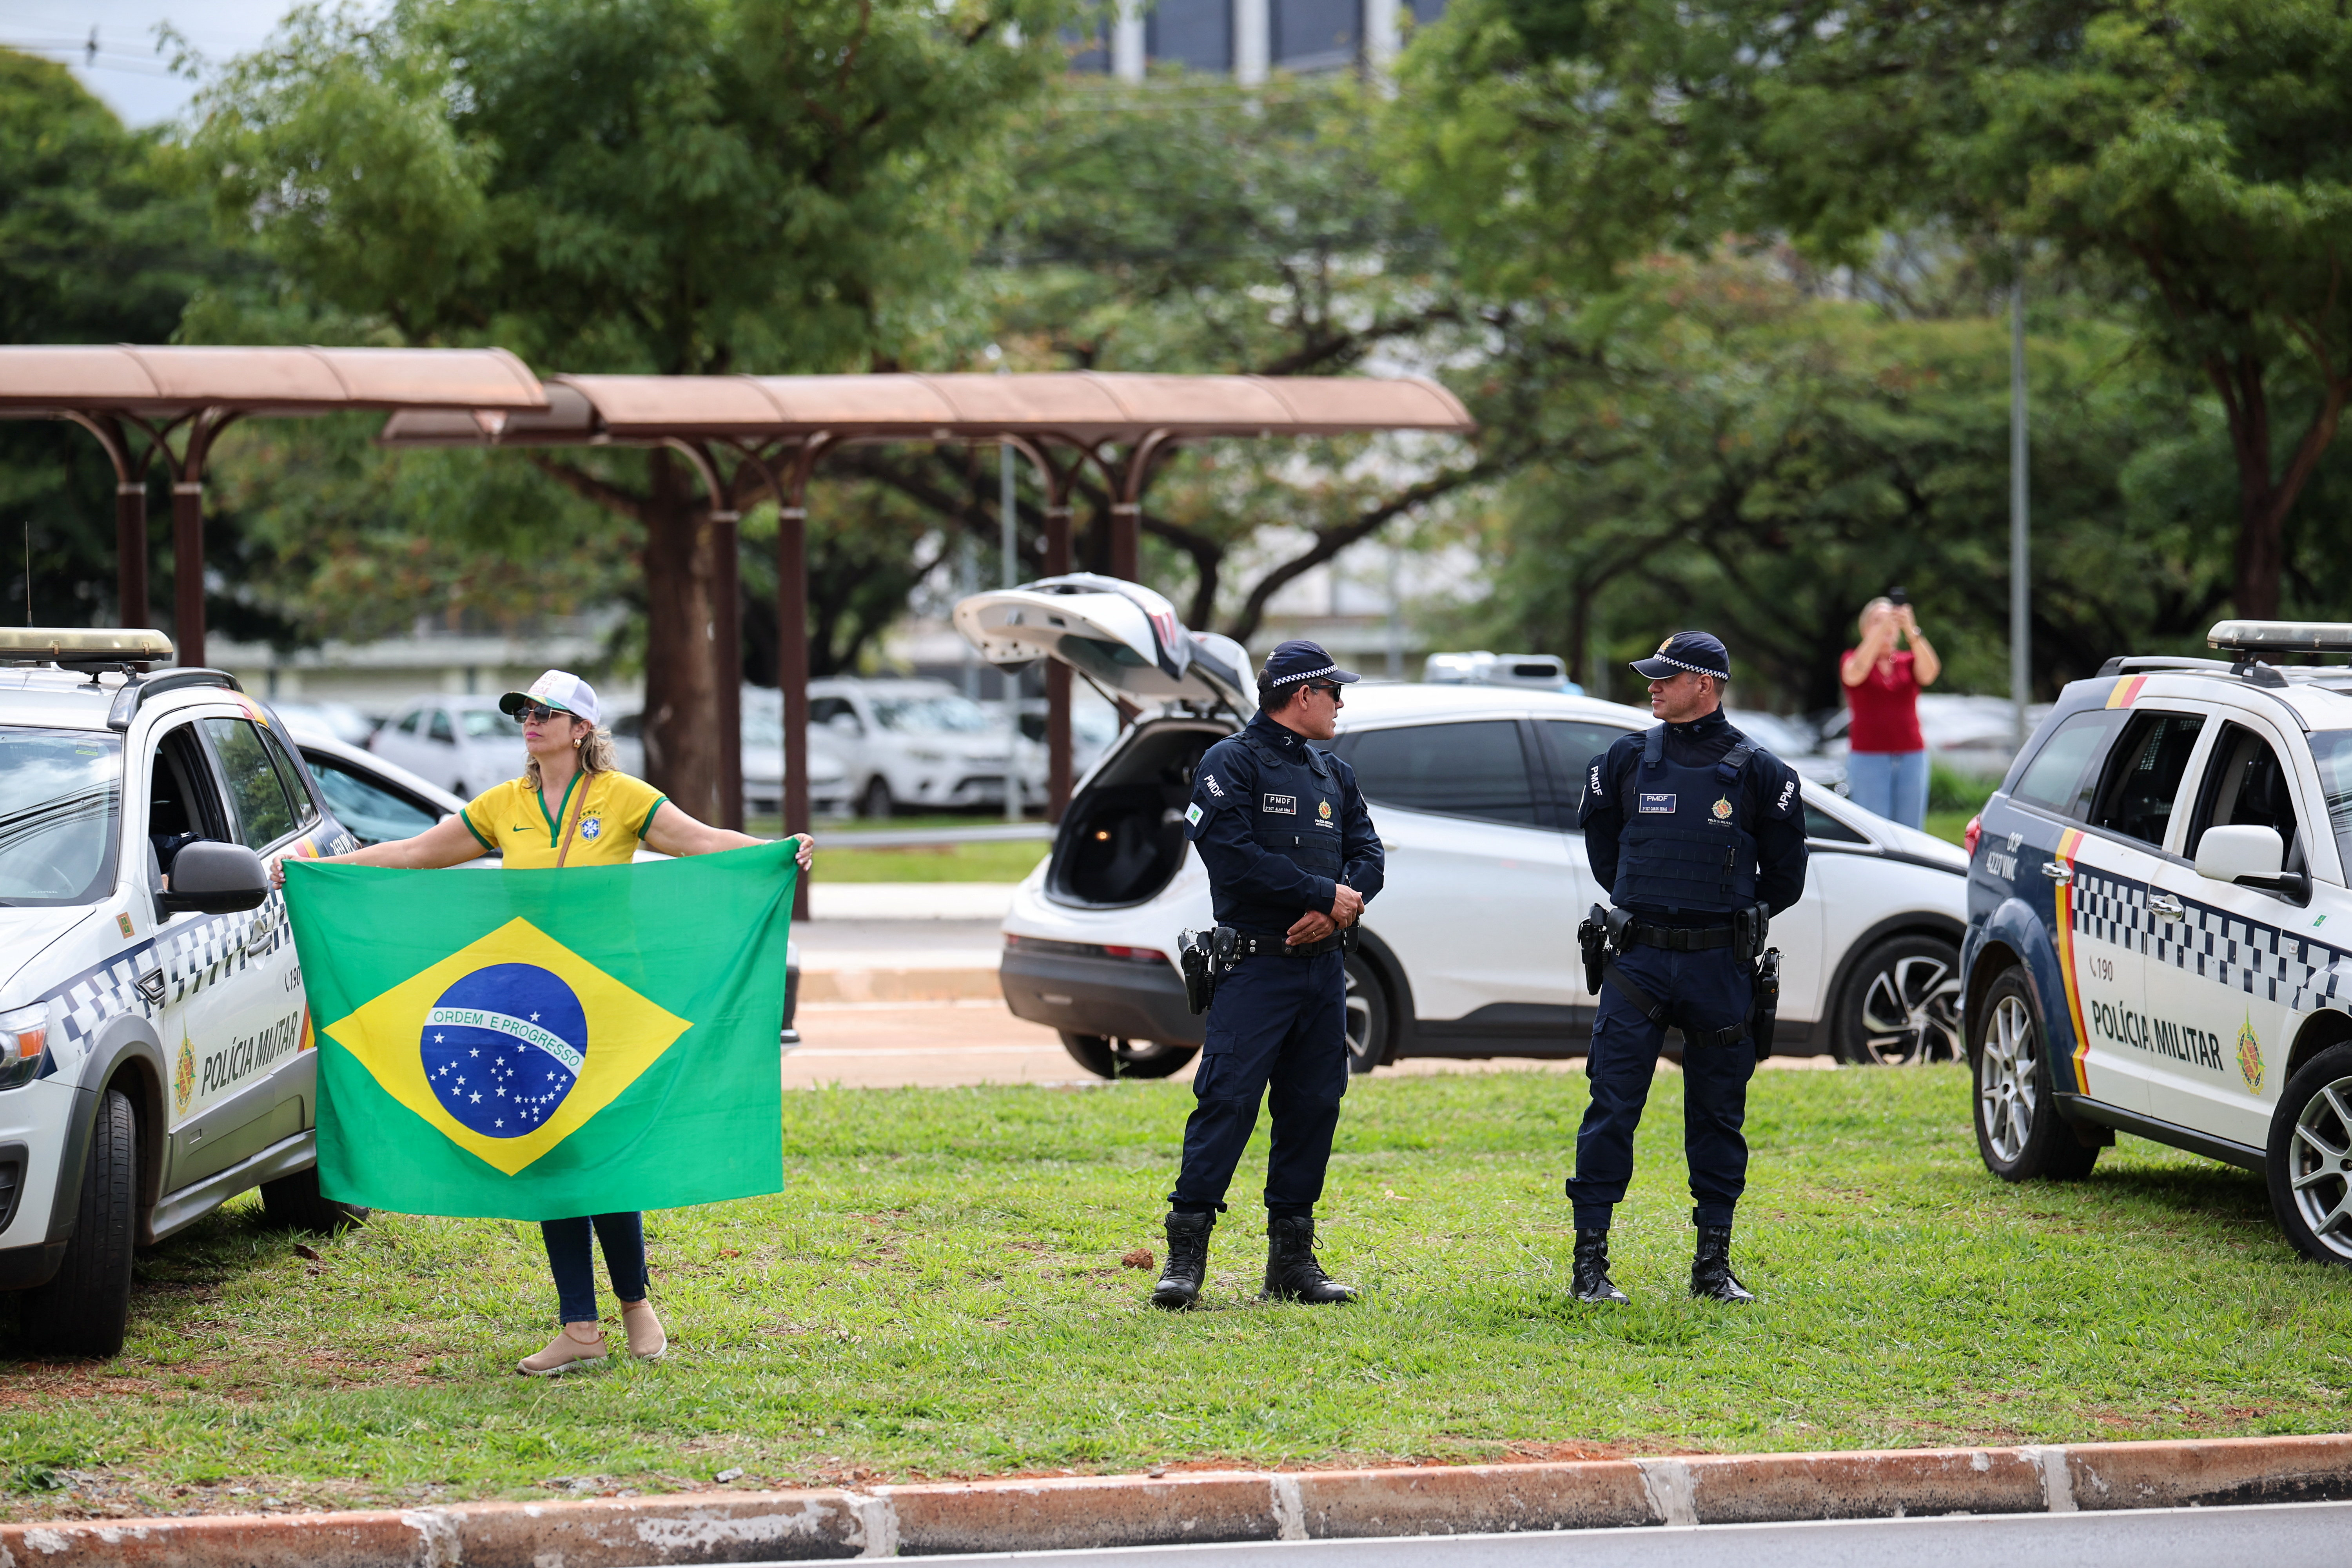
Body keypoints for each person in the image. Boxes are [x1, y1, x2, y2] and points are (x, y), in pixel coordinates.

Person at [275, 669, 813, 1375]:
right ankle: (579, 1328)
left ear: (582, 730)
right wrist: (316, 872)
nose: (530, 720)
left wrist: (776, 851)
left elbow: (699, 842)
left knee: (604, 1155)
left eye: (545, 712)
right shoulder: (504, 805)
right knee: (551, 1151)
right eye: (523, 711)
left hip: (615, 1003)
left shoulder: (622, 798)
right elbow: (415, 855)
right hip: (530, 1004)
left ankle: (635, 1307)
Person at [1567, 632, 1808, 1305]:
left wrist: (1721, 914)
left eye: (1666, 678)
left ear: (1705, 683)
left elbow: (1784, 880)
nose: (1653, 687)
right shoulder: (1619, 761)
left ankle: (1713, 1267)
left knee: (1718, 1117)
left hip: (1718, 968)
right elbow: (1606, 858)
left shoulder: (1763, 774)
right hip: (1638, 962)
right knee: (1610, 1108)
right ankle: (1590, 1267)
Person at [1150, 640, 1384, 1311]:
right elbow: (1231, 858)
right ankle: (1185, 1257)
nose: (1342, 702)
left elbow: (1369, 857)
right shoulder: (1231, 762)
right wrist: (1319, 893)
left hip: (1321, 973)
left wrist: (1337, 913)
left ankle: (1290, 1264)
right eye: (1333, 691)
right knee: (1227, 1102)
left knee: (1313, 1108)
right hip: (1254, 968)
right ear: (1303, 695)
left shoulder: (1332, 773)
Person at [1840, 594, 1941, 829]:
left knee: (1910, 828)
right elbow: (1853, 674)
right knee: (1873, 827)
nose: (1887, 626)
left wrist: (1911, 629)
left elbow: (1930, 673)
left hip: (1911, 755)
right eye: (1877, 620)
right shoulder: (1852, 658)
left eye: (1891, 621)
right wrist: (1880, 632)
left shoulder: (1907, 661)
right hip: (1868, 756)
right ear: (1865, 628)